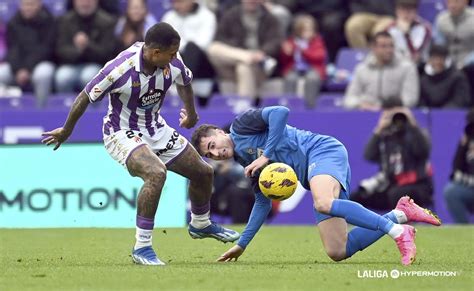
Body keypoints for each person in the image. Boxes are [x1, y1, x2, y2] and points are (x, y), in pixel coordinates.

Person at [42, 23, 239, 266]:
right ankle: (142, 246)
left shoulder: (172, 63)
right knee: (156, 173)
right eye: (171, 53)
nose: (176, 57)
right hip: (121, 132)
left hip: (156, 128)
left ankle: (200, 224)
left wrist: (191, 113)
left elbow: (185, 81)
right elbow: (85, 96)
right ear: (155, 53)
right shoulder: (120, 69)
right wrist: (66, 130)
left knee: (203, 172)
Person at [191, 106, 441, 265]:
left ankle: (399, 233)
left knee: (322, 202)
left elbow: (280, 112)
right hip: (314, 175)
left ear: (217, 131)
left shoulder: (241, 125)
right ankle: (401, 214)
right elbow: (262, 203)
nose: (216, 153)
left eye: (212, 145)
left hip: (322, 151)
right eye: (210, 155)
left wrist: (266, 155)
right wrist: (242, 244)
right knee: (338, 250)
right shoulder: (247, 163)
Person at [351, 106, 434, 210]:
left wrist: (412, 123)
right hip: (390, 185)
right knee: (356, 197)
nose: (397, 120)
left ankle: (400, 225)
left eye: (400, 117)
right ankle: (365, 225)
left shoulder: (414, 135)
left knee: (396, 193)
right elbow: (369, 155)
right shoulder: (385, 138)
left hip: (417, 186)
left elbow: (422, 151)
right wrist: (378, 129)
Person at [343, 31, 419, 110]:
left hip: (395, 115)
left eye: (391, 46)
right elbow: (349, 99)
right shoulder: (361, 69)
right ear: (373, 48)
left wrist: (386, 106)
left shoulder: (407, 67)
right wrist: (361, 104)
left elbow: (410, 99)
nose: (389, 50)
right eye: (383, 46)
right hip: (366, 114)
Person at [0, 0, 55, 108]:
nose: (28, 8)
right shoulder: (13, 22)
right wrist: (18, 69)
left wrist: (27, 69)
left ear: (39, 5)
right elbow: (12, 50)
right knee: (1, 74)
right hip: (18, 66)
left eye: (31, 4)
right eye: (25, 5)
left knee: (42, 75)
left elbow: (46, 49)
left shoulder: (49, 21)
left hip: (42, 63)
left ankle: (41, 111)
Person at [280, 14, 327, 108]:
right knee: (290, 79)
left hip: (313, 68)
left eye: (311, 30)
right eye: (305, 30)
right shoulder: (292, 41)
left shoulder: (317, 41)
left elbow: (320, 57)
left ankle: (310, 107)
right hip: (295, 68)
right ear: (298, 31)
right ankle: (288, 106)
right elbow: (284, 61)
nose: (309, 32)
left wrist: (304, 52)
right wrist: (286, 53)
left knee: (312, 79)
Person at [444, 109, 474, 223]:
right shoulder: (468, 140)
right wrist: (463, 146)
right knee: (451, 191)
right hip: (471, 186)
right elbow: (456, 167)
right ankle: (466, 229)